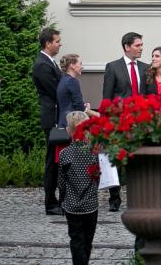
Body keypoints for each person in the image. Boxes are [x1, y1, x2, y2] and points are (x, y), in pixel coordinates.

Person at [101, 30, 154, 212]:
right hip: (118, 122)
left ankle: (137, 196)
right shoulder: (113, 67)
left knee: (137, 159)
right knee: (116, 159)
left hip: (140, 123)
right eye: (137, 45)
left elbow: (150, 96)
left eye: (141, 45)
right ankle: (114, 198)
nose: (141, 48)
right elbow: (107, 98)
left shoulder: (146, 68)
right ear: (127, 47)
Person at [57, 110, 99, 265]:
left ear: (69, 131)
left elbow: (61, 182)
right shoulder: (93, 152)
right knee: (88, 240)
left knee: (76, 240)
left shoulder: (64, 154)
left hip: (72, 205)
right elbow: (98, 177)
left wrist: (62, 200)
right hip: (91, 205)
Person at [32, 25, 64, 216]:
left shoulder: (49, 62)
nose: (60, 44)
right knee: (52, 161)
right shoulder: (42, 65)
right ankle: (50, 202)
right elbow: (56, 91)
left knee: (56, 160)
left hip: (55, 116)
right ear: (48, 43)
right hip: (52, 117)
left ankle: (55, 200)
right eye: (57, 41)